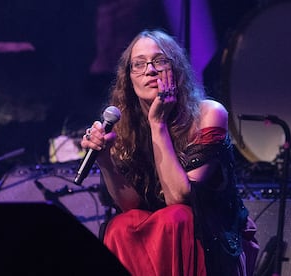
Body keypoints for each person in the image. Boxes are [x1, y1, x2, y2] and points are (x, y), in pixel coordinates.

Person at [80, 29, 259, 276]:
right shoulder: (123, 125)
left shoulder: (209, 114)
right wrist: (105, 160)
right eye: (139, 65)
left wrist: (158, 124)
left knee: (176, 217)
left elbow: (180, 198)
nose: (150, 71)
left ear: (176, 69)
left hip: (212, 237)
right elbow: (130, 206)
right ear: (129, 80)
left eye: (159, 61)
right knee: (121, 226)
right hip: (159, 238)